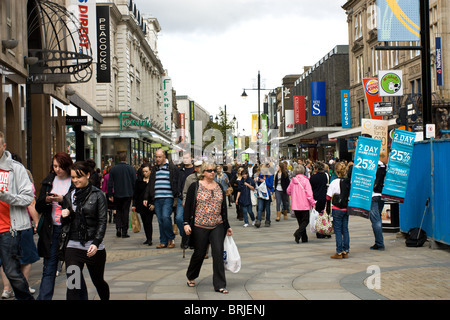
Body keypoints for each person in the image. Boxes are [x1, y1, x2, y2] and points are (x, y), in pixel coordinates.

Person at [61, 161, 109, 300]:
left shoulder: (98, 195)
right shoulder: (70, 195)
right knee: (73, 284)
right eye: (73, 177)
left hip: (93, 246)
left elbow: (102, 221)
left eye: (79, 177)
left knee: (98, 282)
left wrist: (96, 242)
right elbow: (66, 223)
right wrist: (65, 215)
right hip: (73, 245)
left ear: (88, 175)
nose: (75, 180)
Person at [183, 162, 232, 294]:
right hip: (200, 225)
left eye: (214, 171)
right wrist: (186, 223)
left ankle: (220, 284)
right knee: (199, 253)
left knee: (218, 253)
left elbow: (224, 208)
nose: (212, 173)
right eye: (210, 171)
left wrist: (227, 226)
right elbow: (188, 206)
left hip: (217, 225)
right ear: (203, 172)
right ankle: (191, 275)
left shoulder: (219, 187)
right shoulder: (195, 186)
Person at [0, 132, 35, 300]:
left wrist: (5, 196)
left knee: (11, 271)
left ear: (4, 146)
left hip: (8, 229)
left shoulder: (16, 168)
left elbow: (28, 197)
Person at [35, 152, 74, 300]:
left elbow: (79, 207)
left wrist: (63, 200)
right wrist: (46, 200)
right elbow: (38, 207)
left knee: (73, 268)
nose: (57, 169)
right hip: (51, 231)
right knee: (49, 268)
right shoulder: (48, 181)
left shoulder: (74, 180)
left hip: (70, 231)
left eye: (61, 166)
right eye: (55, 166)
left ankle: (76, 296)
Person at [144, 149, 179, 249]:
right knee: (160, 220)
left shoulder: (171, 167)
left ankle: (170, 238)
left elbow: (175, 181)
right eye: (156, 157)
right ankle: (163, 241)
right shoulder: (155, 168)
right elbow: (150, 183)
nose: (157, 159)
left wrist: (176, 193)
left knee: (165, 217)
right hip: (157, 197)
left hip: (168, 197)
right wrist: (146, 197)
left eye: (159, 157)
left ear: (164, 157)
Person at [107, 152, 136, 238]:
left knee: (118, 211)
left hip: (117, 194)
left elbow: (110, 183)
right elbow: (135, 182)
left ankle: (118, 228)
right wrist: (135, 194)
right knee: (125, 211)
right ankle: (124, 231)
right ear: (125, 159)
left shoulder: (113, 169)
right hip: (127, 194)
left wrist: (110, 194)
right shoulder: (130, 168)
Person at [326, 162, 350, 259]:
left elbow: (328, 196)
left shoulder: (334, 182)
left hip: (336, 208)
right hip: (346, 208)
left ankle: (339, 251)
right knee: (345, 229)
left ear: (336, 171)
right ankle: (346, 250)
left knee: (338, 230)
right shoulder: (348, 182)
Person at [286, 165, 316, 243]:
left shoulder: (293, 180)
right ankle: (298, 233)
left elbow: (288, 191)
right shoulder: (306, 181)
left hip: (295, 205)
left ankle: (304, 238)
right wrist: (313, 203)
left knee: (300, 222)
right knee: (306, 221)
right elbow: (309, 194)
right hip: (304, 204)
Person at [175, 153, 194, 248]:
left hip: (192, 199)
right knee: (178, 218)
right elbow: (176, 182)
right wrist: (177, 192)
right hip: (181, 198)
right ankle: (185, 236)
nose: (185, 159)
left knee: (191, 219)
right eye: (184, 158)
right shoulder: (179, 170)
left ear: (191, 158)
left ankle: (187, 240)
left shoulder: (194, 170)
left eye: (187, 158)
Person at [133, 163, 154, 245]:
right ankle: (147, 237)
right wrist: (134, 205)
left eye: (146, 171)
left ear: (150, 171)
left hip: (150, 205)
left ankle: (150, 239)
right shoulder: (138, 181)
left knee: (149, 221)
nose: (145, 173)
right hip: (141, 204)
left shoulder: (153, 181)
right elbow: (135, 194)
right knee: (144, 222)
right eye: (143, 171)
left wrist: (153, 203)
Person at [370, 158, 387, 251]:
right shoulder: (384, 166)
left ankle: (380, 243)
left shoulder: (370, 165)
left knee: (375, 220)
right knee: (378, 218)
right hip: (382, 194)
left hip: (373, 195)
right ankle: (378, 242)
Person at [310, 161, 330, 239]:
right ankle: (327, 230)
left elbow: (311, 187)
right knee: (325, 214)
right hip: (325, 197)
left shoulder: (313, 177)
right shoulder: (326, 175)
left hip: (316, 198)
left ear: (316, 168)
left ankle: (320, 232)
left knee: (317, 215)